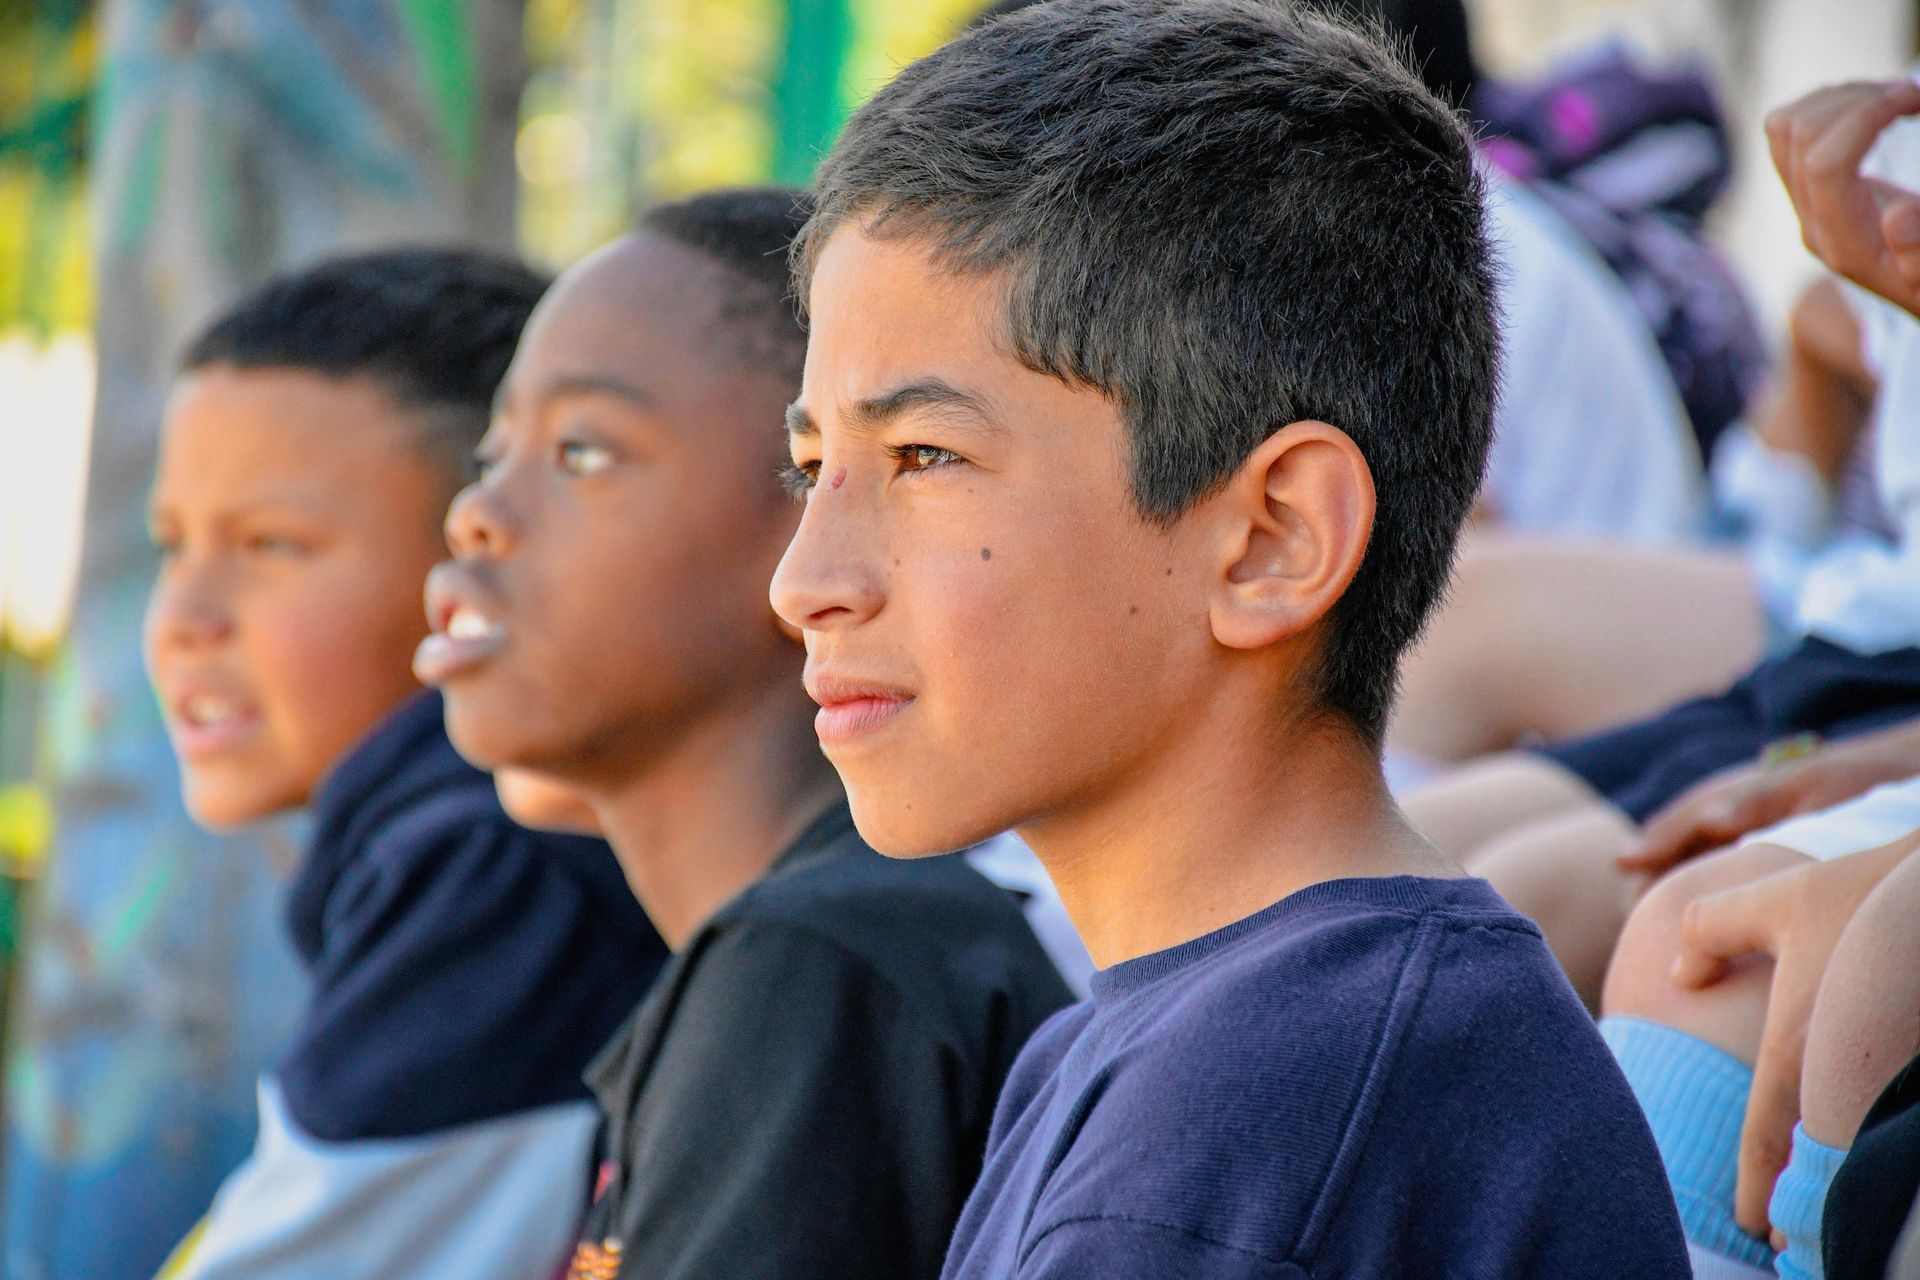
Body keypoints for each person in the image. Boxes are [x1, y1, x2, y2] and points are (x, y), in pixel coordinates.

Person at [770, 3, 1688, 1275]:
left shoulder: (1256, 1128)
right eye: (811, 465)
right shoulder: (1156, 1047)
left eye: (925, 456)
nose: (804, 580)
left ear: (1273, 539)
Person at [414, 187, 1073, 1280]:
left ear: (809, 514)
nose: (473, 513)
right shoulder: (813, 941)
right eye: (493, 455)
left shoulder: (819, 961)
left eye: (581, 451)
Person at [143, 249, 666, 1280]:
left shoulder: (496, 876)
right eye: (172, 543)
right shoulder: (431, 850)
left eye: (271, 545)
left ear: (482, 559)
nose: (185, 619)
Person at [1595, 77, 1920, 1280]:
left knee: (1776, 955)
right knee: (1678, 921)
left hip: (1866, 665)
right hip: (1840, 657)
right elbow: (1821, 342)